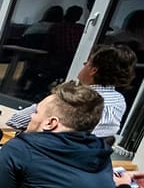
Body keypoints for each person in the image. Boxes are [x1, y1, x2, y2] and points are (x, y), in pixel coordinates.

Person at [7, 44, 136, 140]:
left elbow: (16, 121)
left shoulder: (74, 99)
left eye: (87, 62)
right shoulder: (119, 100)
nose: (84, 64)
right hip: (88, 160)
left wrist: (47, 103)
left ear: (93, 70)